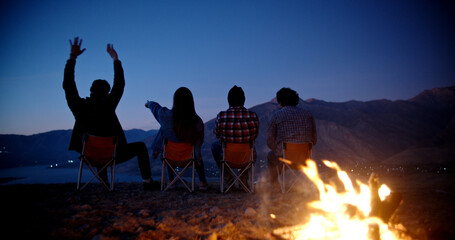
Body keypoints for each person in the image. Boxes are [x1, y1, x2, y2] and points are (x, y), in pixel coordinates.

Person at [63, 37, 159, 190]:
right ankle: (147, 182)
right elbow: (119, 85)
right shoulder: (108, 105)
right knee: (140, 146)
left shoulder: (79, 106)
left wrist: (72, 57)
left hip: (88, 155)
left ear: (91, 90)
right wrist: (115, 59)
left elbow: (68, 86)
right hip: (112, 155)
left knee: (96, 142)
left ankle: (104, 183)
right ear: (107, 93)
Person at [145, 87, 208, 190]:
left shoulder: (165, 115)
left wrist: (149, 103)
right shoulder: (197, 121)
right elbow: (198, 143)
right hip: (190, 159)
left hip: (170, 158)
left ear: (175, 101)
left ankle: (171, 181)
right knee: (165, 129)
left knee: (165, 130)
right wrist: (198, 157)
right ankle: (203, 183)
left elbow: (156, 108)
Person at [266, 87, 317, 182]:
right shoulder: (308, 115)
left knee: (270, 156)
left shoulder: (277, 115)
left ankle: (274, 184)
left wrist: (278, 149)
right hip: (304, 159)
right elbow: (314, 140)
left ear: (280, 101)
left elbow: (270, 141)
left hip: (284, 159)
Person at [211, 85, 259, 183]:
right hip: (247, 157)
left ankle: (228, 176)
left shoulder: (221, 116)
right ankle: (244, 177)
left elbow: (216, 134)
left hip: (227, 157)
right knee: (253, 148)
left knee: (215, 146)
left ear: (229, 100)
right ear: (243, 100)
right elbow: (255, 136)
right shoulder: (253, 116)